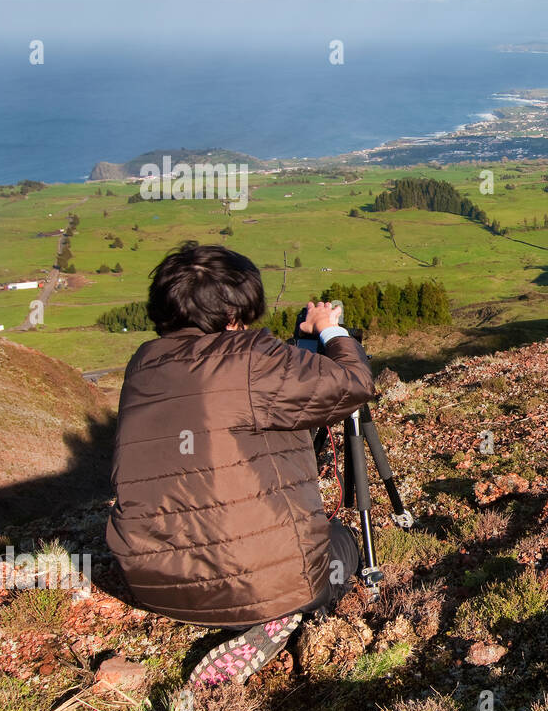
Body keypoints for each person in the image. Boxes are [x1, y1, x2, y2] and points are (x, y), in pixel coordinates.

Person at [107, 241, 375, 686]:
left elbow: (231, 391)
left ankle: (245, 608)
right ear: (236, 311)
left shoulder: (143, 363)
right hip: (258, 584)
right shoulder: (253, 358)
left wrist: (300, 344)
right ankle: (279, 616)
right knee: (341, 543)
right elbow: (353, 382)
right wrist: (332, 333)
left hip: (151, 581)